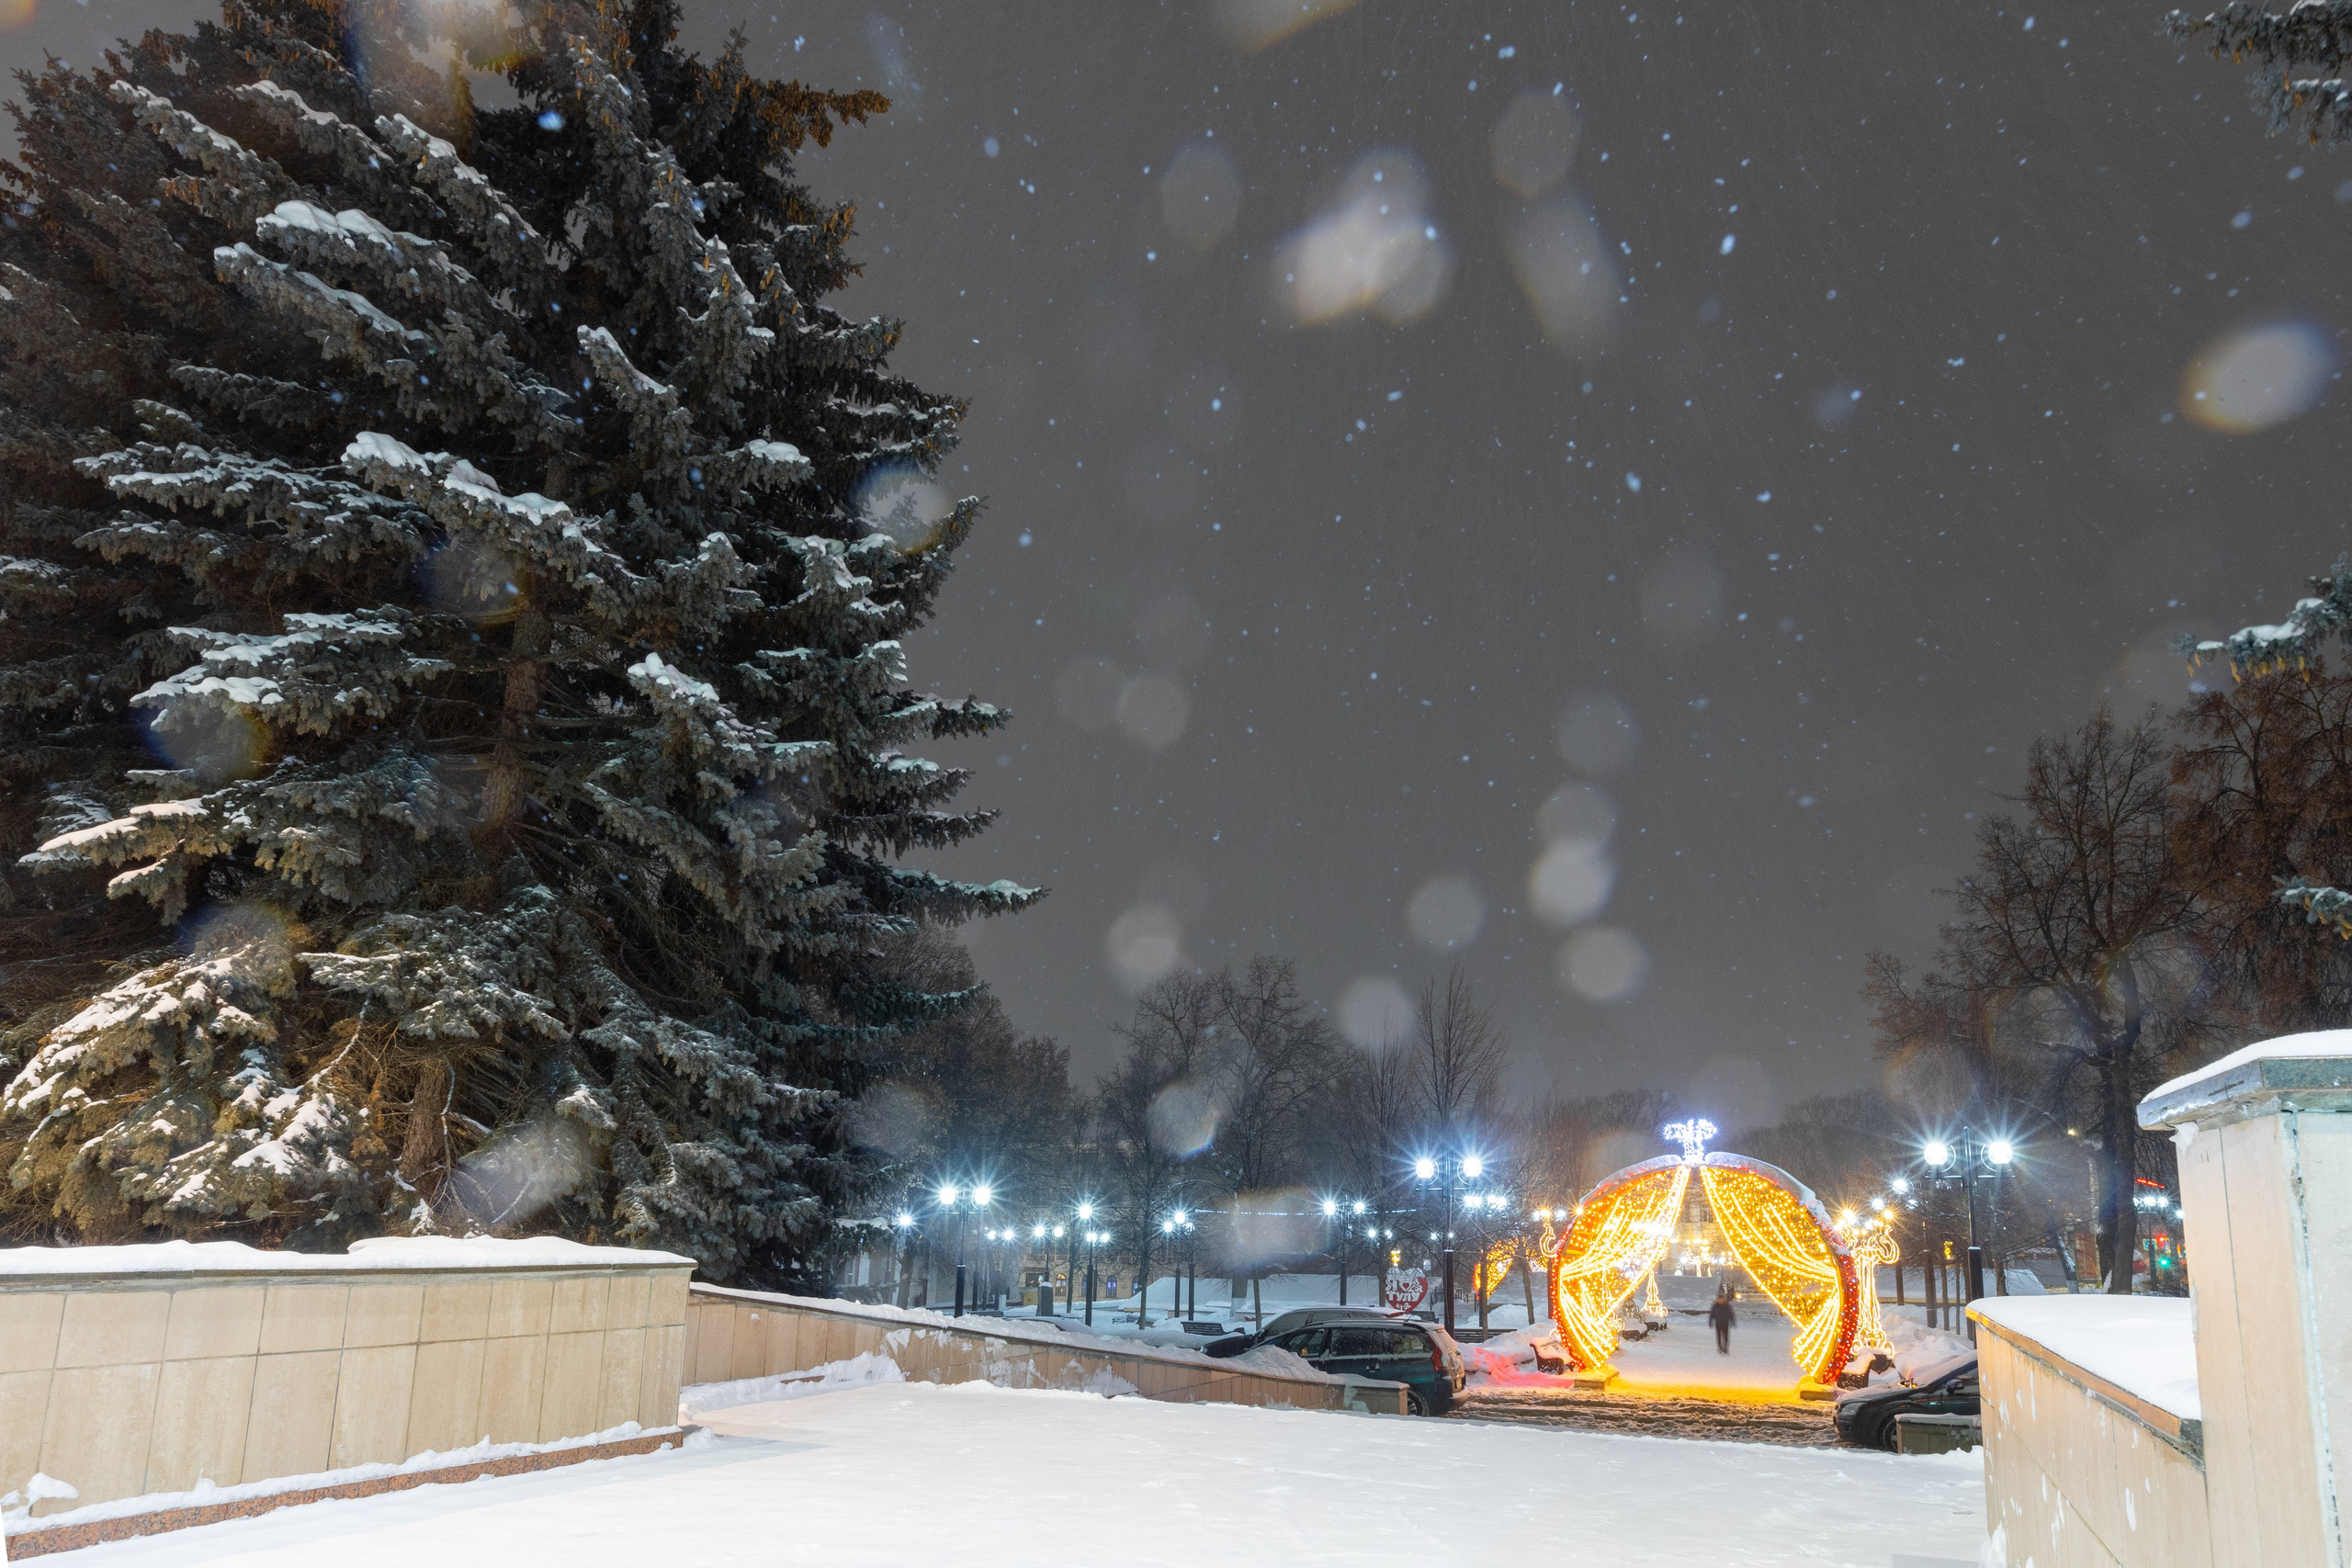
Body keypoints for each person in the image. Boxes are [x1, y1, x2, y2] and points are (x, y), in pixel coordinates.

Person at [1708, 1289, 1736, 1355]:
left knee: (1726, 1337)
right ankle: (1720, 1348)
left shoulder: (1727, 1306)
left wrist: (1733, 1321)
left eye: (1722, 1299)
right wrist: (1710, 1322)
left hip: (1725, 1323)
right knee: (1719, 1337)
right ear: (1718, 1299)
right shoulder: (1715, 1306)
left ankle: (1725, 1349)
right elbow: (1712, 1314)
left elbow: (1731, 1314)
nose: (1721, 1300)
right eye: (1720, 1299)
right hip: (1718, 1324)